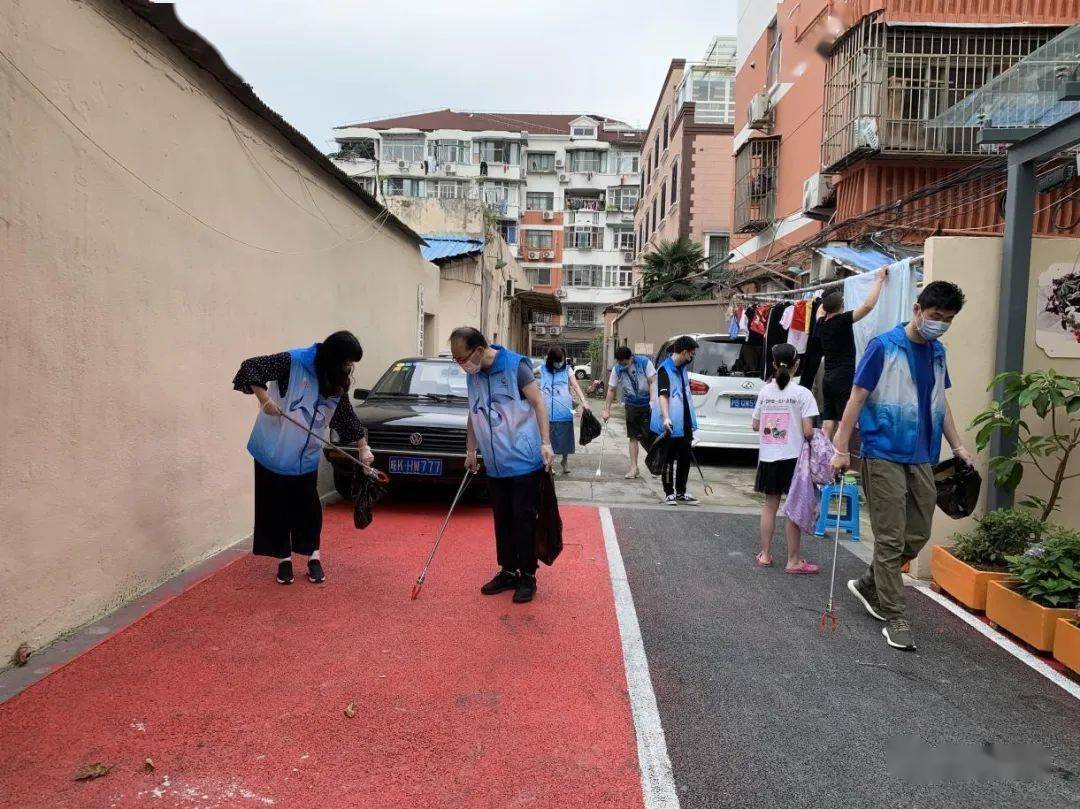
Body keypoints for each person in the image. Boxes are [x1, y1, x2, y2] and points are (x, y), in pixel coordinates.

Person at [832, 281, 974, 651]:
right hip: (883, 452)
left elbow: (939, 402)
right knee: (891, 537)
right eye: (934, 316)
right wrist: (840, 447)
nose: (939, 324)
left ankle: (869, 583)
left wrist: (957, 446)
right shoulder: (883, 347)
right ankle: (895, 615)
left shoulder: (938, 352)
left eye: (947, 319)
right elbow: (856, 398)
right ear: (917, 310)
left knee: (918, 532)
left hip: (923, 455)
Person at [233, 331, 372, 585]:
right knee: (277, 507)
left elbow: (344, 415)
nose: (348, 368)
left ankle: (313, 556)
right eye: (346, 362)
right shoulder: (292, 361)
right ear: (333, 357)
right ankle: (283, 559)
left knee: (308, 507)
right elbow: (250, 367)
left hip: (305, 456)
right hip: (274, 451)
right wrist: (264, 399)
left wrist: (363, 447)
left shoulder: (335, 378)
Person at [452, 327, 555, 604]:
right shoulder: (473, 376)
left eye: (461, 358)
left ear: (477, 350)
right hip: (495, 465)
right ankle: (508, 570)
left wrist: (546, 442)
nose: (460, 365)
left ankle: (527, 577)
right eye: (456, 361)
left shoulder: (515, 366)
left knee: (524, 520)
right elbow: (474, 413)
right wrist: (471, 449)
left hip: (524, 462)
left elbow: (538, 403)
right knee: (502, 519)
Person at [753, 344, 820, 573]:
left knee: (770, 505)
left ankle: (765, 554)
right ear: (796, 364)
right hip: (794, 459)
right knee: (792, 508)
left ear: (773, 364)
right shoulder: (803, 394)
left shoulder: (764, 392)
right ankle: (793, 560)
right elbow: (808, 431)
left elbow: (755, 425)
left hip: (769, 457)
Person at [818, 266, 889, 438]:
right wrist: (879, 280)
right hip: (843, 377)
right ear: (842, 306)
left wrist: (828, 295)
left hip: (827, 379)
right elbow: (867, 306)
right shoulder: (842, 321)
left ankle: (822, 461)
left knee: (828, 424)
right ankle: (839, 459)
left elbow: (822, 309)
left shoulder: (820, 323)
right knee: (843, 423)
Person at [651, 335, 700, 505]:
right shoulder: (665, 369)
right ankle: (669, 492)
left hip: (685, 421)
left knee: (685, 457)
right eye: (691, 354)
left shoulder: (683, 368)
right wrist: (666, 418)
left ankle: (681, 491)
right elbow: (663, 396)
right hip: (671, 422)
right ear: (684, 352)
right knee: (668, 458)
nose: (692, 357)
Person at [602, 346, 657, 478]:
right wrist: (606, 410)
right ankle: (633, 467)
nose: (623, 366)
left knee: (651, 436)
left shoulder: (644, 362)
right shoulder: (617, 369)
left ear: (631, 357)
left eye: (625, 363)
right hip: (631, 405)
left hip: (648, 405)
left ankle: (656, 463)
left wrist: (653, 402)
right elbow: (611, 389)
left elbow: (652, 382)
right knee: (633, 437)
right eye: (620, 363)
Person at [539, 345, 591, 475]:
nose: (560, 363)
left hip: (563, 410)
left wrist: (584, 401)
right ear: (551, 360)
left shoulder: (568, 370)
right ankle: (550, 464)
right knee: (548, 438)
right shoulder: (543, 369)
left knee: (565, 438)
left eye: (562, 359)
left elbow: (576, 385)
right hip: (546, 412)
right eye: (558, 360)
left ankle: (564, 461)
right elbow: (527, 373)